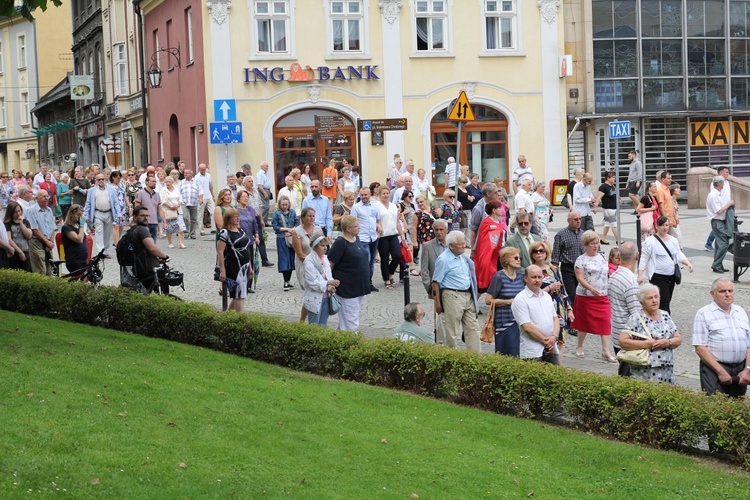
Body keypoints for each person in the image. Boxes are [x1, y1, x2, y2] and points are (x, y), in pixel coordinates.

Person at [693, 278, 750, 397]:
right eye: (723, 291)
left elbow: (749, 344)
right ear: (712, 294)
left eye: (730, 290)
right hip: (715, 368)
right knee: (715, 407)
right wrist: (720, 371)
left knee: (737, 409)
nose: (728, 294)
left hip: (740, 368)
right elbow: (700, 347)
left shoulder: (740, 311)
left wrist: (747, 369)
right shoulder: (704, 313)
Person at [620, 284, 682, 384]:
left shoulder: (665, 315)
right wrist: (647, 344)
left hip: (667, 371)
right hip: (643, 372)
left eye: (656, 297)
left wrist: (668, 342)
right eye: (650, 298)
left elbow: (678, 338)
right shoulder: (635, 318)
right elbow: (623, 341)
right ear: (641, 302)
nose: (654, 300)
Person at [432, 231, 480, 352]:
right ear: (451, 246)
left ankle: (475, 358)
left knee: (473, 328)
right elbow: (435, 282)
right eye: (461, 244)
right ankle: (452, 356)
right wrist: (437, 302)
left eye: (464, 242)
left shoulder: (462, 257)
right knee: (451, 330)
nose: (464, 245)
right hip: (452, 295)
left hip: (467, 294)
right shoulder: (443, 259)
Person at [571, 230, 616, 361]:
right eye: (592, 243)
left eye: (596, 243)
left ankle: (606, 351)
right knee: (583, 323)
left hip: (602, 295)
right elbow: (580, 278)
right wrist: (591, 288)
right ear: (586, 245)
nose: (595, 246)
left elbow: (607, 273)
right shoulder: (581, 260)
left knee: (606, 321)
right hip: (586, 296)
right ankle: (579, 346)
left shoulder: (601, 256)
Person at [638, 216, 694, 313]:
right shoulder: (650, 241)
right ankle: (666, 322)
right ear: (657, 226)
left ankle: (658, 318)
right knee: (664, 301)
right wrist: (640, 275)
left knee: (667, 300)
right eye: (662, 225)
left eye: (667, 225)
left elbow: (678, 254)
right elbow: (644, 258)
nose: (665, 228)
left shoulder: (673, 240)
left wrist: (687, 263)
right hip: (657, 276)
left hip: (671, 276)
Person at [529, 241, 572, 361]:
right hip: (543, 309)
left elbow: (563, 289)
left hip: (558, 308)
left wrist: (569, 308)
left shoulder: (553, 269)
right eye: (535, 251)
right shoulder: (531, 270)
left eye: (541, 251)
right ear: (532, 254)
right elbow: (531, 292)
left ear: (546, 253)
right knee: (546, 342)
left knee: (560, 342)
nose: (538, 254)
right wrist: (549, 288)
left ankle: (558, 370)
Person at [328, 215, 371, 331]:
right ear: (348, 229)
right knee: (350, 320)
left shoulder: (356, 239)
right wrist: (329, 283)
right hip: (347, 288)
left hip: (359, 286)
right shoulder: (340, 243)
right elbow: (329, 264)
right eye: (356, 226)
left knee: (347, 319)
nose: (359, 228)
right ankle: (352, 344)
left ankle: (339, 340)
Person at [511, 265, 560, 363]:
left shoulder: (546, 296)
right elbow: (527, 327)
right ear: (525, 278)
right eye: (533, 277)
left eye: (539, 277)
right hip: (532, 351)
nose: (537, 280)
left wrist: (554, 337)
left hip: (551, 349)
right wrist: (547, 341)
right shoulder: (520, 299)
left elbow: (555, 319)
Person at [608, 242, 641, 377]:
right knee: (629, 377)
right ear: (637, 256)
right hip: (628, 339)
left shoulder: (614, 276)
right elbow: (636, 316)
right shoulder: (631, 282)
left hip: (616, 333)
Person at [485, 246, 525, 355]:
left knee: (517, 354)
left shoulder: (521, 276)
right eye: (515, 258)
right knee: (505, 354)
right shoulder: (499, 276)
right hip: (504, 322)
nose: (519, 260)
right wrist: (509, 301)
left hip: (519, 321)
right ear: (506, 260)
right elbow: (488, 300)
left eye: (519, 258)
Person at [217, 208, 253, 312]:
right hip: (233, 266)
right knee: (239, 294)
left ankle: (228, 315)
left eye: (238, 216)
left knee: (239, 293)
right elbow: (220, 252)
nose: (238, 218)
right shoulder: (224, 233)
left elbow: (247, 250)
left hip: (244, 266)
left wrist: (250, 267)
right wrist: (222, 270)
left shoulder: (240, 231)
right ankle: (240, 319)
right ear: (228, 219)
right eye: (234, 216)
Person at [293, 207, 324, 320]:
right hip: (304, 264)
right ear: (303, 218)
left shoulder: (318, 230)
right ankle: (303, 319)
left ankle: (315, 316)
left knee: (315, 292)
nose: (312, 218)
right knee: (309, 291)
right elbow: (299, 253)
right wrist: (312, 263)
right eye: (309, 216)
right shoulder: (297, 231)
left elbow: (322, 247)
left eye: (313, 216)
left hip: (318, 264)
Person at [302, 235, 339, 327]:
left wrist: (331, 286)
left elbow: (328, 276)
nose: (325, 248)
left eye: (326, 245)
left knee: (323, 324)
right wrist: (328, 283)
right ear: (315, 247)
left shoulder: (325, 259)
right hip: (314, 298)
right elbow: (312, 283)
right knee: (314, 325)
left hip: (326, 297)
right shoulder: (308, 262)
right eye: (322, 246)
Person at [551, 211, 584, 313]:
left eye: (580, 219)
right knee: (572, 294)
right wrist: (555, 272)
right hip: (568, 268)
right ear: (569, 221)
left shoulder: (583, 234)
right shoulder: (561, 235)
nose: (578, 221)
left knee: (582, 294)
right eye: (575, 219)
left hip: (581, 268)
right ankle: (572, 318)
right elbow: (555, 256)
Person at [350, 186, 381, 292]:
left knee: (371, 262)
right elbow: (352, 222)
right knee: (365, 261)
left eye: (365, 195)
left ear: (370, 195)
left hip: (373, 237)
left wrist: (379, 227)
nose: (363, 197)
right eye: (362, 195)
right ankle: (361, 282)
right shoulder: (356, 207)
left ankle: (369, 282)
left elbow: (377, 219)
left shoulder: (375, 206)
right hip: (362, 238)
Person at [373, 186, 404, 289]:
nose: (386, 195)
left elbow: (397, 221)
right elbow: (375, 220)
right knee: (384, 258)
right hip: (383, 235)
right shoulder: (376, 206)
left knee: (397, 256)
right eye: (383, 193)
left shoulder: (393, 206)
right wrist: (378, 227)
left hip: (393, 234)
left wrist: (402, 235)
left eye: (387, 193)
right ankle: (386, 279)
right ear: (380, 195)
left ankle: (390, 273)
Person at [472, 200, 506, 293]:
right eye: (499, 208)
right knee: (484, 284)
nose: (501, 210)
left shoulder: (498, 221)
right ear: (494, 210)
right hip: (489, 255)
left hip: (497, 254)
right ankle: (472, 304)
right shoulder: (487, 222)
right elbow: (484, 242)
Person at [706, 176, 734, 274]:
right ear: (719, 184)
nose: (724, 185)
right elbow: (719, 211)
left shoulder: (717, 194)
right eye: (723, 183)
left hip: (720, 222)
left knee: (719, 244)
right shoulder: (713, 195)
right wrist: (729, 204)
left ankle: (719, 264)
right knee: (724, 244)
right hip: (717, 222)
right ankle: (716, 264)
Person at [26, 190, 57, 275]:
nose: (46, 198)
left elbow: (53, 227)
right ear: (36, 198)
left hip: (48, 242)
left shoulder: (49, 210)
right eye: (43, 196)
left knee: (49, 270)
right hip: (37, 242)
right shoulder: (31, 210)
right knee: (40, 270)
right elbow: (34, 229)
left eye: (47, 196)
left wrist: (51, 241)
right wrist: (47, 242)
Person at [272, 195, 299, 291]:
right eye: (283, 204)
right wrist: (286, 230)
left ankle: (289, 280)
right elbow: (275, 226)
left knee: (291, 260)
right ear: (279, 204)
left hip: (292, 238)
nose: (284, 206)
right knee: (284, 260)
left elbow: (297, 223)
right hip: (281, 239)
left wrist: (291, 232)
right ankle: (285, 281)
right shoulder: (276, 213)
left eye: (286, 204)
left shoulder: (292, 212)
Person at [704, 166, 733, 252]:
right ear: (721, 173)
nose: (728, 174)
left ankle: (716, 244)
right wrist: (725, 206)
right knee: (718, 227)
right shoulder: (716, 184)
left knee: (722, 228)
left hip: (726, 208)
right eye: (726, 172)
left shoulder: (726, 183)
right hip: (720, 209)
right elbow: (717, 197)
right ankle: (709, 243)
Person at [60, 204, 89, 278]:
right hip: (74, 260)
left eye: (81, 215)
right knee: (78, 281)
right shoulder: (66, 227)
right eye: (78, 215)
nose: (80, 217)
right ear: (71, 215)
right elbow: (79, 239)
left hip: (83, 259)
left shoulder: (78, 226)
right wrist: (82, 226)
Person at [469, 182, 499, 248]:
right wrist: (473, 250)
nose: (498, 194)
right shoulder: (478, 209)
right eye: (495, 193)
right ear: (488, 194)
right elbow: (473, 230)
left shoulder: (496, 205)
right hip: (483, 245)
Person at [160, 176, 186, 249]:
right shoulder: (163, 190)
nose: (167, 183)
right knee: (170, 227)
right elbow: (163, 200)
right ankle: (170, 242)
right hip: (169, 210)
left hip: (178, 210)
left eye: (169, 182)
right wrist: (171, 206)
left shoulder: (176, 189)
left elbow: (180, 198)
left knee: (180, 226)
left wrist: (178, 204)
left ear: (172, 182)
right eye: (166, 182)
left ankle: (181, 243)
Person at [3, 201, 31, 271]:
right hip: (14, 253)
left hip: (26, 250)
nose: (18, 214)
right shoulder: (7, 224)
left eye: (19, 211)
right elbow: (9, 239)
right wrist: (20, 252)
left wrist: (21, 224)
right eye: (15, 212)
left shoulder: (25, 222)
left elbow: (29, 235)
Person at [133, 174, 161, 242]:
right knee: (145, 243)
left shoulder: (157, 195)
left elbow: (159, 209)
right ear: (146, 182)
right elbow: (137, 207)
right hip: (144, 222)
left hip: (154, 222)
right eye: (152, 181)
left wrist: (164, 221)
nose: (154, 183)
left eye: (155, 181)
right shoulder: (140, 193)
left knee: (153, 243)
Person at [596, 170, 619, 245]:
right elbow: (599, 197)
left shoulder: (612, 185)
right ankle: (618, 240)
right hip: (608, 208)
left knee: (607, 224)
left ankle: (603, 239)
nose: (614, 179)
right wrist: (596, 206)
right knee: (614, 224)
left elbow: (615, 194)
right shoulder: (603, 187)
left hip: (613, 208)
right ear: (607, 178)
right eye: (613, 177)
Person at [179, 169, 200, 239]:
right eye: (184, 173)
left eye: (187, 173)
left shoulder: (196, 182)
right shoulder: (181, 182)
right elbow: (178, 192)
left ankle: (192, 233)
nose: (185, 174)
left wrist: (201, 198)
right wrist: (180, 200)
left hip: (194, 202)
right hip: (184, 202)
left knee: (193, 219)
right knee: (185, 217)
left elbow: (201, 191)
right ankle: (186, 232)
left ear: (191, 174)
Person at [195, 163, 215, 234]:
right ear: (199, 169)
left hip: (209, 196)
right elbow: (198, 188)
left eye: (204, 169)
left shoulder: (208, 175)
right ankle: (201, 229)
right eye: (202, 170)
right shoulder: (197, 177)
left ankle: (213, 228)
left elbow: (210, 185)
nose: (203, 171)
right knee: (200, 214)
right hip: (201, 197)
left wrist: (213, 195)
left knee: (213, 212)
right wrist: (199, 198)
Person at [668, 183, 683, 250]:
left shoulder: (674, 200)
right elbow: (671, 210)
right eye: (677, 188)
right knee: (676, 237)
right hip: (672, 221)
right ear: (673, 191)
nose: (679, 190)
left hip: (675, 220)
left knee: (677, 236)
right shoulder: (670, 200)